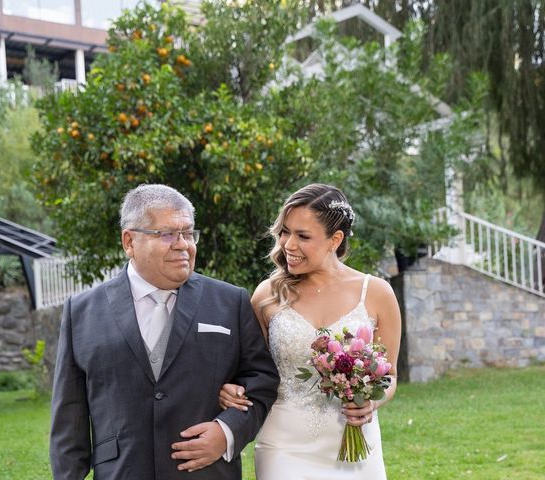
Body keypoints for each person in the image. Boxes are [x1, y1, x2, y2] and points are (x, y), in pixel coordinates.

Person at [50, 184, 279, 479]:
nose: (183, 244)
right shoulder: (81, 312)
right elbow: (69, 419)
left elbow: (261, 381)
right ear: (129, 241)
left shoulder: (230, 301)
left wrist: (227, 431)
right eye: (167, 234)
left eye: (188, 233)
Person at [219, 183, 401, 479]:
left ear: (335, 239)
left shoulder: (377, 293)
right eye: (284, 232)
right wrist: (232, 389)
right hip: (283, 445)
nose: (288, 245)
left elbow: (389, 374)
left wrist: (372, 401)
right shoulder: (267, 295)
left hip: (354, 443)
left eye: (303, 236)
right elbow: (249, 370)